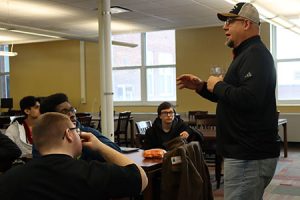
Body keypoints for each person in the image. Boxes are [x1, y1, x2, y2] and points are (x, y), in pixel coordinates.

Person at [177, 2, 280, 200]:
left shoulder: (256, 55)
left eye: (230, 21)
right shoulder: (246, 55)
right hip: (245, 155)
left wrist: (217, 85)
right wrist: (201, 86)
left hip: (249, 156)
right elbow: (231, 98)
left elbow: (250, 99)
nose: (225, 27)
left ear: (247, 24)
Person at [0, 112, 148, 199]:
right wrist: (100, 146)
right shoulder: (91, 173)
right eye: (75, 129)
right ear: (68, 134)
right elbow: (142, 178)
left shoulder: (10, 178)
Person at [32, 93, 121, 161]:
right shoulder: (43, 139)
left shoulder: (86, 132)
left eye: (72, 110)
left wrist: (88, 146)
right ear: (53, 118)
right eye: (64, 111)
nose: (72, 115)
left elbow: (116, 151)